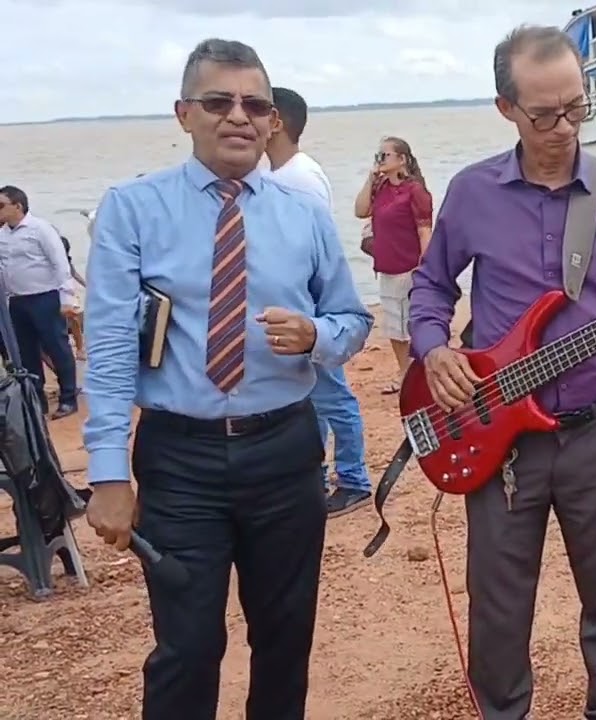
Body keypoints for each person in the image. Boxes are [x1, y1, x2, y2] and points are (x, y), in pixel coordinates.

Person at [408, 24, 596, 720]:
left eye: (576, 107)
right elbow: (431, 286)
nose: (565, 128)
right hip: (502, 439)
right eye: (544, 115)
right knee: (498, 607)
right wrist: (434, 350)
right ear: (506, 108)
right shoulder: (471, 193)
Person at [81, 38, 372, 720]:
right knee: (185, 650)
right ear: (184, 114)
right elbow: (113, 346)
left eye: (256, 105)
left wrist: (316, 335)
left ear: (273, 121)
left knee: (285, 641)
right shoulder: (133, 208)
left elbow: (351, 319)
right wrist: (108, 474)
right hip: (180, 460)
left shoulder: (304, 213)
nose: (239, 116)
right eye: (219, 102)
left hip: (285, 453)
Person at [264, 85, 372, 515]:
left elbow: (314, 254)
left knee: (332, 398)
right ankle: (320, 474)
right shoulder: (284, 173)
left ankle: (354, 479)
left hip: (309, 314)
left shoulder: (298, 178)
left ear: (276, 122)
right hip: (299, 312)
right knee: (315, 401)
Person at [354, 135, 433, 395]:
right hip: (386, 267)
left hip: (408, 267)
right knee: (393, 327)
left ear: (401, 159)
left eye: (385, 155)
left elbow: (424, 230)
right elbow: (360, 210)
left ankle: (416, 375)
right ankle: (404, 373)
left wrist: (424, 266)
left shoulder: (414, 191)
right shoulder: (380, 187)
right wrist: (370, 178)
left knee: (408, 327)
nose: (380, 159)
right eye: (378, 155)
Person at [0, 185, 79, 418]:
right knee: (26, 353)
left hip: (45, 297)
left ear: (18, 206)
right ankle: (36, 402)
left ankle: (68, 398)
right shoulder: (3, 234)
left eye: (1, 205)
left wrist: (67, 297)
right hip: (16, 301)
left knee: (57, 347)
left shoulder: (40, 229)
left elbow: (60, 263)